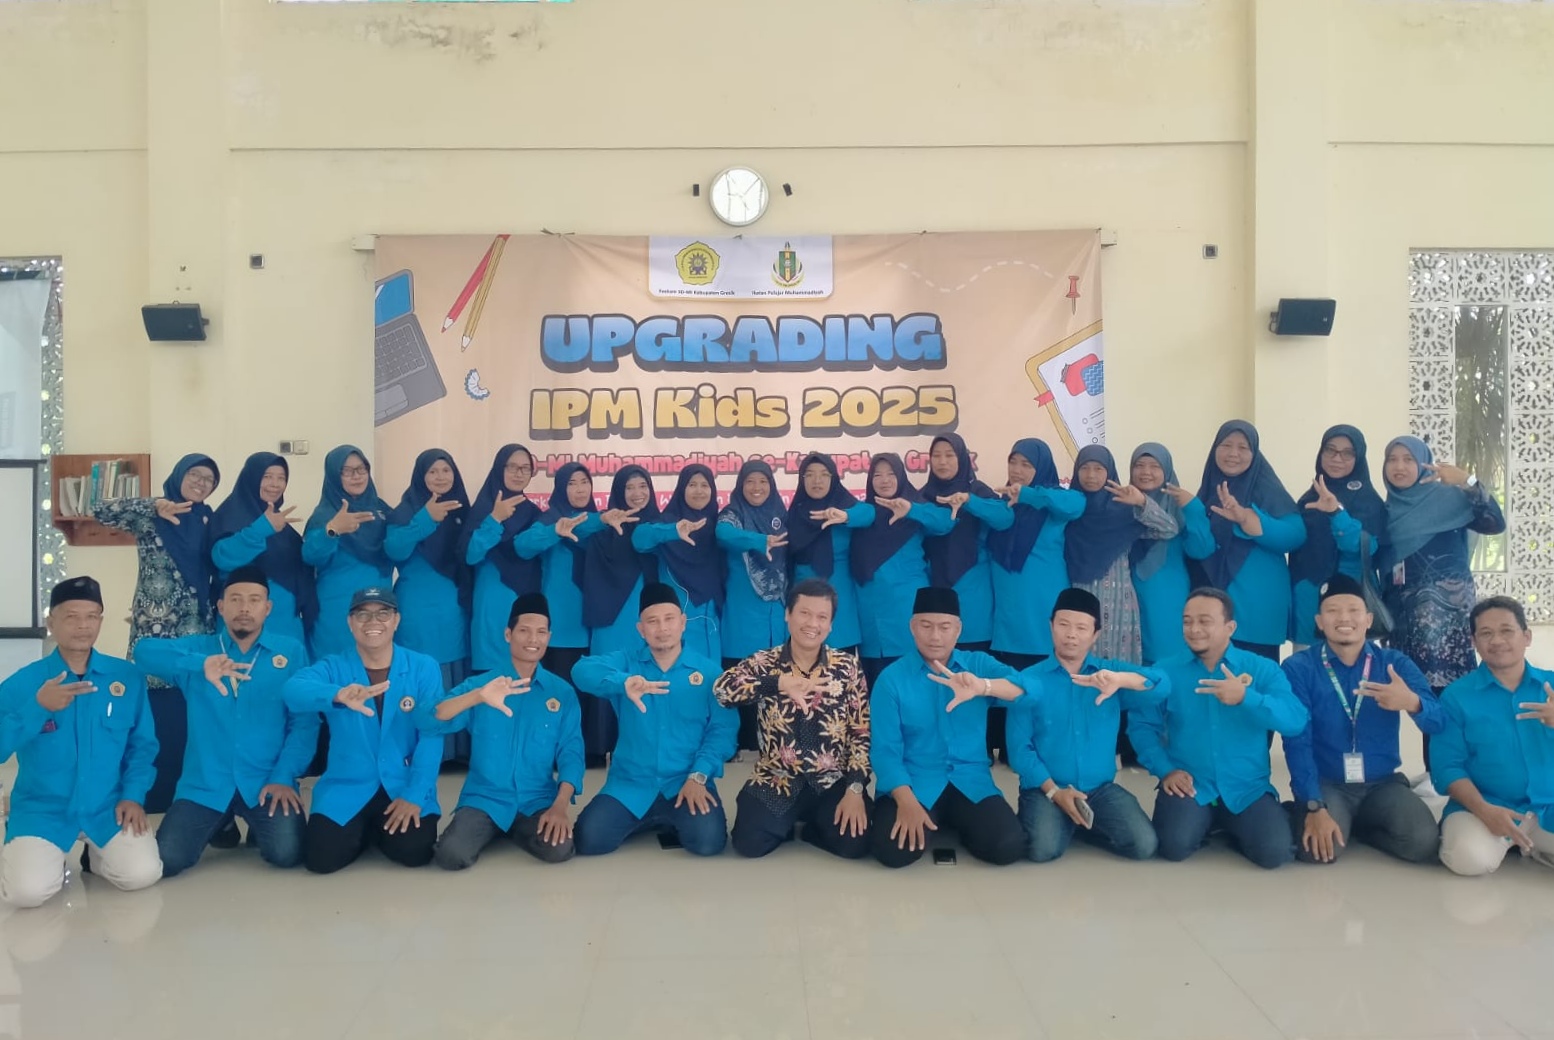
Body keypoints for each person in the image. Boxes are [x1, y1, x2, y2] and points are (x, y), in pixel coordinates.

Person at [134, 566, 318, 877]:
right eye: (235, 599)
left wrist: (284, 776)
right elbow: (143, 652)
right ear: (221, 606)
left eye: (254, 600)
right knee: (168, 858)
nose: (244, 608)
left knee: (287, 853)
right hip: (205, 784)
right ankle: (223, 822)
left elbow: (304, 723)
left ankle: (250, 824)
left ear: (267, 608)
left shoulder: (290, 653)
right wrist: (199, 664)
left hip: (265, 782)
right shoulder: (201, 649)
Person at [0, 577, 162, 907]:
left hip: (107, 807)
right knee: (27, 893)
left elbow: (142, 746)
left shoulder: (126, 678)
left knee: (142, 874)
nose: (83, 626)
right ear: (51, 623)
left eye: (91, 616)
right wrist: (38, 707)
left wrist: (133, 795)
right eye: (71, 616)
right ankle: (47, 858)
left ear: (101, 621)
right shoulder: (23, 683)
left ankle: (96, 858)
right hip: (42, 810)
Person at [1129, 588, 1309, 868]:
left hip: (1247, 786)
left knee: (1274, 854)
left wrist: (1247, 697)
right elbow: (1141, 726)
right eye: (1187, 621)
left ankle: (1250, 820)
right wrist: (1165, 770)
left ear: (1230, 627)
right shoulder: (1166, 671)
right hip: (1192, 784)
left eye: (1204, 621)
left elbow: (1295, 721)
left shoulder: (1261, 669)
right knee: (1173, 846)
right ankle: (1211, 821)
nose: (1194, 629)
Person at [1282, 575, 1443, 866]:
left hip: (1382, 784)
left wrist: (1412, 703)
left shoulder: (1395, 663)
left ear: (1368, 619)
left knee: (1422, 843)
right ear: (1319, 622)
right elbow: (1297, 742)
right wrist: (1314, 804)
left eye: (1353, 610)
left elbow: (1438, 721)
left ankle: (1360, 829)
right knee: (1317, 852)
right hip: (1328, 783)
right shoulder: (1299, 668)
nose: (1344, 618)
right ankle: (1315, 814)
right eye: (1333, 611)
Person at [92, 452, 221, 813]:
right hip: (154, 629)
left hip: (197, 627)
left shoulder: (208, 520)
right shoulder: (151, 517)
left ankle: (188, 798)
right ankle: (150, 795)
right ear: (179, 475)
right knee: (153, 716)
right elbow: (99, 510)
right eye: (195, 474)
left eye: (209, 479)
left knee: (189, 718)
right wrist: (154, 504)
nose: (201, 483)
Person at [283, 587, 443, 872]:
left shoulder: (423, 667)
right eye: (363, 615)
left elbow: (431, 735)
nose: (373, 622)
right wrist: (337, 694)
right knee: (321, 861)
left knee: (415, 853)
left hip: (401, 783)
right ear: (350, 622)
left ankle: (373, 830)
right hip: (347, 784)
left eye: (383, 614)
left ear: (396, 620)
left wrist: (415, 795)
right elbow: (292, 690)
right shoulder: (333, 666)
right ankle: (366, 829)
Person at [419, 593, 584, 869]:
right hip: (485, 799)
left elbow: (572, 752)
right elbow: (429, 719)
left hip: (536, 800)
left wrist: (559, 806)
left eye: (541, 632)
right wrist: (477, 697)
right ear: (508, 634)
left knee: (560, 849)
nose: (533, 639)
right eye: (524, 631)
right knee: (451, 855)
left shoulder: (562, 693)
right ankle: (494, 828)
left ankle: (513, 830)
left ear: (549, 637)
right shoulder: (481, 685)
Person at [571, 583, 738, 856]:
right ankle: (651, 816)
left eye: (669, 619)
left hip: (685, 782)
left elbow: (723, 731)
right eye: (652, 621)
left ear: (682, 623)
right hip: (631, 783)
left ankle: (667, 816)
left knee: (708, 843)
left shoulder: (709, 673)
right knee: (589, 839)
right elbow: (581, 671)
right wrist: (622, 683)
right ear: (641, 629)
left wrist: (699, 775)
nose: (662, 628)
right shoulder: (627, 663)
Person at [869, 586, 1027, 868]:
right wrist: (905, 802)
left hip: (969, 779)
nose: (935, 636)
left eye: (944, 627)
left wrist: (982, 686)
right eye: (926, 626)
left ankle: (957, 823)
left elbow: (1026, 690)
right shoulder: (891, 679)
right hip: (914, 781)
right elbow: (884, 751)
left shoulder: (977, 664)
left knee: (1008, 845)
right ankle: (936, 818)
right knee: (893, 851)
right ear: (912, 627)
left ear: (958, 629)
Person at [714, 579, 872, 859]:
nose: (812, 624)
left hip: (831, 779)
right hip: (778, 778)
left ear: (831, 624)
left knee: (855, 844)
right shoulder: (765, 661)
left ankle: (810, 829)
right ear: (788, 614)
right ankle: (783, 822)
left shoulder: (847, 667)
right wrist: (777, 683)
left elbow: (860, 732)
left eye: (822, 617)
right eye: (804, 613)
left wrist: (856, 788)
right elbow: (722, 691)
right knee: (749, 844)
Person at [1007, 588, 1167, 863]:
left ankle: (1078, 823)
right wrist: (1055, 792)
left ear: (1095, 634)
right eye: (1064, 624)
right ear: (1051, 626)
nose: (1071, 634)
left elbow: (1162, 685)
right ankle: (1068, 819)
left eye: (1081, 628)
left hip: (1100, 789)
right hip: (1047, 788)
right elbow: (1019, 750)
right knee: (1042, 850)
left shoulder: (1110, 674)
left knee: (1144, 845)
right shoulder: (1029, 679)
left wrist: (1122, 680)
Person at [1431, 596, 1554, 876]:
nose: (1497, 640)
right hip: (1483, 806)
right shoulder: (1456, 696)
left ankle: (1532, 845)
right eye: (1486, 633)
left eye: (1506, 630)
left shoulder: (1551, 686)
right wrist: (1484, 810)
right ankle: (1522, 844)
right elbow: (1447, 767)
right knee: (1468, 858)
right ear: (1474, 642)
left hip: (1549, 806)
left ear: (1526, 637)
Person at [1379, 436, 1506, 699]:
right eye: (1392, 459)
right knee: (1412, 695)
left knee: (1452, 695)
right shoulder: (1386, 510)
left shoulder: (1449, 498)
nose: (1399, 466)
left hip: (1448, 620)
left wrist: (1467, 481)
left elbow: (1494, 522)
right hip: (1404, 619)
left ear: (1423, 463)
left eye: (1408, 459)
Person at [979, 438, 1084, 755]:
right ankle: (1007, 747)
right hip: (1008, 613)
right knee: (1009, 682)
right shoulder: (1002, 506)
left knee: (1045, 683)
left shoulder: (1055, 503)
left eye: (1026, 464)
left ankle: (1041, 747)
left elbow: (1075, 505)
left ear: (1042, 468)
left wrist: (1028, 494)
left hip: (1043, 610)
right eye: (1013, 463)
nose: (1018, 470)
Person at [512, 462, 610, 764]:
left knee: (590, 689)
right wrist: (556, 530)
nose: (580, 489)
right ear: (561, 488)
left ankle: (589, 750)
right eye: (572, 483)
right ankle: (556, 753)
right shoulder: (551, 518)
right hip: (564, 624)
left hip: (597, 621)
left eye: (585, 482)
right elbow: (522, 546)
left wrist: (600, 521)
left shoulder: (601, 521)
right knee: (560, 692)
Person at [1187, 420, 1306, 659]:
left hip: (1256, 613)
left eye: (1243, 447)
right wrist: (1190, 510)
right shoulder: (1208, 491)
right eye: (1226, 445)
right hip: (1212, 614)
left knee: (1255, 679)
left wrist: (1248, 520)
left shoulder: (1268, 490)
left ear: (1254, 453)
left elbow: (1296, 535)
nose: (1233, 453)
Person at [1063, 444, 1179, 663]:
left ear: (1109, 471)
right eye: (1085, 468)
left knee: (1118, 666)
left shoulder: (1123, 509)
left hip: (1117, 601)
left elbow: (1169, 529)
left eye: (1098, 468)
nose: (1091, 475)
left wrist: (1142, 502)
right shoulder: (1070, 510)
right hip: (1078, 598)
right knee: (1080, 661)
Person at [851, 453, 953, 685]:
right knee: (878, 687)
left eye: (891, 474)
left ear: (901, 476)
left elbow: (945, 522)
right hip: (871, 620)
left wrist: (911, 510)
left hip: (907, 611)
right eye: (877, 475)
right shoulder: (864, 514)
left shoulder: (915, 509)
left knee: (915, 684)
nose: (884, 480)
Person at [1288, 426, 1386, 649]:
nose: (1337, 458)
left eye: (1347, 453)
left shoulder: (1368, 501)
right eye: (1330, 450)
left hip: (1350, 601)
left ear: (1358, 458)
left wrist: (1336, 513)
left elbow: (1366, 547)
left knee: (1353, 667)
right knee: (1307, 666)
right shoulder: (1308, 499)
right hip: (1309, 603)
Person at [383, 448, 473, 692]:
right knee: (418, 683)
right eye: (432, 471)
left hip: (455, 612)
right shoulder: (405, 511)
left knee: (454, 686)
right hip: (418, 614)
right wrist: (425, 519)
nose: (440, 476)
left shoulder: (462, 509)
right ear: (420, 475)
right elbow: (394, 550)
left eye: (446, 470)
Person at [716, 459, 790, 751]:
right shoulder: (732, 514)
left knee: (776, 679)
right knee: (743, 677)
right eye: (750, 481)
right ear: (740, 485)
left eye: (763, 481)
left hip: (777, 612)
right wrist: (760, 540)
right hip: (743, 614)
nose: (757, 487)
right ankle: (744, 742)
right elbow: (723, 533)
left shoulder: (780, 514)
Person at [210, 451, 313, 650]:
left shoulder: (283, 527)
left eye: (281, 478)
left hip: (285, 626)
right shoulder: (229, 515)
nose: (275, 484)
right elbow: (222, 558)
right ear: (252, 477)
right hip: (242, 622)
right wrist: (260, 529)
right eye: (267, 476)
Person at [1127, 443, 1215, 666]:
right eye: (1139, 465)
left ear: (1166, 470)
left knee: (1166, 659)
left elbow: (1201, 549)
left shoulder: (1179, 506)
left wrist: (1193, 509)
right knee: (1131, 660)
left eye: (1154, 466)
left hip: (1166, 595)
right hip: (1127, 594)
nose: (1146, 472)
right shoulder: (1123, 504)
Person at [302, 445, 390, 660]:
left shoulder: (381, 510)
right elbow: (310, 556)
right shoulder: (325, 515)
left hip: (379, 608)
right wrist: (332, 530)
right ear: (334, 475)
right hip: (338, 613)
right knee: (337, 671)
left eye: (361, 469)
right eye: (347, 471)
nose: (356, 476)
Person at [461, 444, 542, 674]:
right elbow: (470, 555)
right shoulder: (483, 509)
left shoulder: (534, 513)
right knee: (491, 678)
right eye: (512, 467)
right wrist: (495, 519)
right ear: (499, 468)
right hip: (491, 606)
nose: (519, 473)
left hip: (525, 604)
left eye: (525, 468)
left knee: (524, 676)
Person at [630, 464, 725, 660]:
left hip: (713, 626)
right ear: (682, 488)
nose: (699, 491)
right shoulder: (667, 521)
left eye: (704, 485)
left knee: (711, 676)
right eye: (692, 485)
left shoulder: (719, 524)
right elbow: (639, 540)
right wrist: (673, 531)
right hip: (673, 626)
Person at [785, 453, 874, 652]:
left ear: (833, 478)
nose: (817, 480)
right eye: (810, 474)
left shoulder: (844, 506)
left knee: (841, 664)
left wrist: (845, 516)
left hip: (841, 602)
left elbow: (869, 513)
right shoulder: (794, 514)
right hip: (804, 598)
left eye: (824, 474)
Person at [918, 434, 998, 651]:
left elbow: (1004, 519)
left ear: (962, 457)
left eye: (949, 455)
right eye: (936, 455)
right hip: (936, 594)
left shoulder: (978, 491)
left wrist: (969, 501)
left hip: (975, 592)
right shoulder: (923, 496)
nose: (942, 462)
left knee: (976, 664)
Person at [582, 465, 663, 656]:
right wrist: (601, 520)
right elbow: (576, 528)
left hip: (651, 616)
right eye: (629, 487)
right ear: (619, 491)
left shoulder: (660, 523)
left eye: (642, 486)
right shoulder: (604, 524)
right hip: (611, 617)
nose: (637, 493)